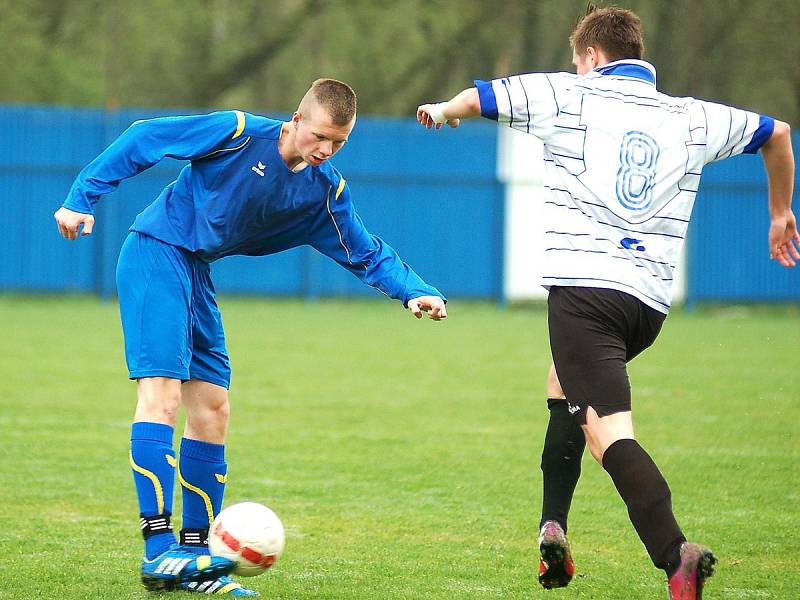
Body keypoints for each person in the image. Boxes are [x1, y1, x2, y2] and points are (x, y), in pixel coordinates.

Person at [416, 6, 798, 599]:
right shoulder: (692, 116)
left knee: (608, 432)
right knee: (563, 385)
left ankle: (676, 554)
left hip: (586, 292)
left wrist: (443, 110)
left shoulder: (569, 93)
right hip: (646, 306)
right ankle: (554, 526)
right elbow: (777, 133)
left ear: (592, 56)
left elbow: (479, 98)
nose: (576, 67)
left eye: (577, 60)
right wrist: (779, 213)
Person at [55, 78, 447, 596]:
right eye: (320, 137)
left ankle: (196, 559)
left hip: (195, 271)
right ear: (296, 120)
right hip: (156, 252)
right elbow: (145, 137)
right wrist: (82, 197)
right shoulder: (236, 132)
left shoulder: (324, 191)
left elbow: (366, 250)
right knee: (162, 396)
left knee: (213, 409)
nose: (325, 151)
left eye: (339, 144)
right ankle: (158, 553)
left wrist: (413, 290)